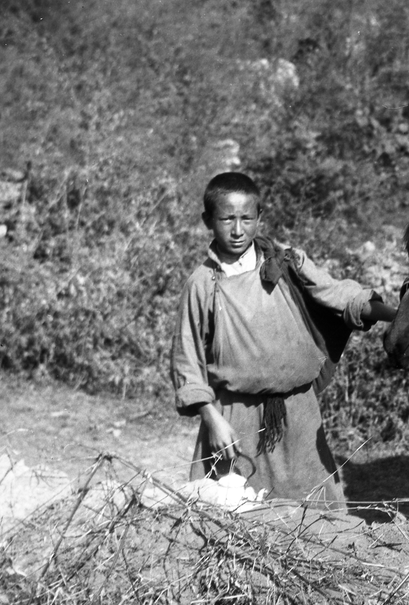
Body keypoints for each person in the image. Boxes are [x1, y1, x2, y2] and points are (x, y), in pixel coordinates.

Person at [170, 172, 396, 506]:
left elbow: (340, 296)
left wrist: (398, 314)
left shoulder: (285, 263)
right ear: (208, 220)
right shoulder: (203, 284)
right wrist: (211, 417)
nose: (237, 230)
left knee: (317, 516)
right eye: (226, 219)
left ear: (259, 218)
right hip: (235, 418)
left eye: (246, 219)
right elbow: (186, 359)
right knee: (235, 518)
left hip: (298, 412)